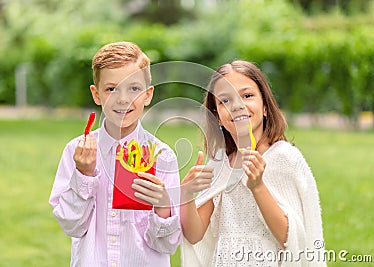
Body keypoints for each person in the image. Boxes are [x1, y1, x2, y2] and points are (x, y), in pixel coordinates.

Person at [180, 60, 326, 266]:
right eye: (225, 101)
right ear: (217, 118)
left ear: (265, 106)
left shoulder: (284, 158)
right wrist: (186, 194)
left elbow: (290, 237)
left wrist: (258, 187)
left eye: (247, 96)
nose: (238, 105)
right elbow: (195, 235)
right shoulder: (219, 164)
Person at [49, 41, 181, 267]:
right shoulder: (76, 152)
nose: (123, 99)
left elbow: (166, 245)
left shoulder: (163, 157)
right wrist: (84, 174)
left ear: (148, 95)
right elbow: (71, 226)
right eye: (111, 89)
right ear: (96, 94)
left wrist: (162, 206)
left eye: (134, 88)